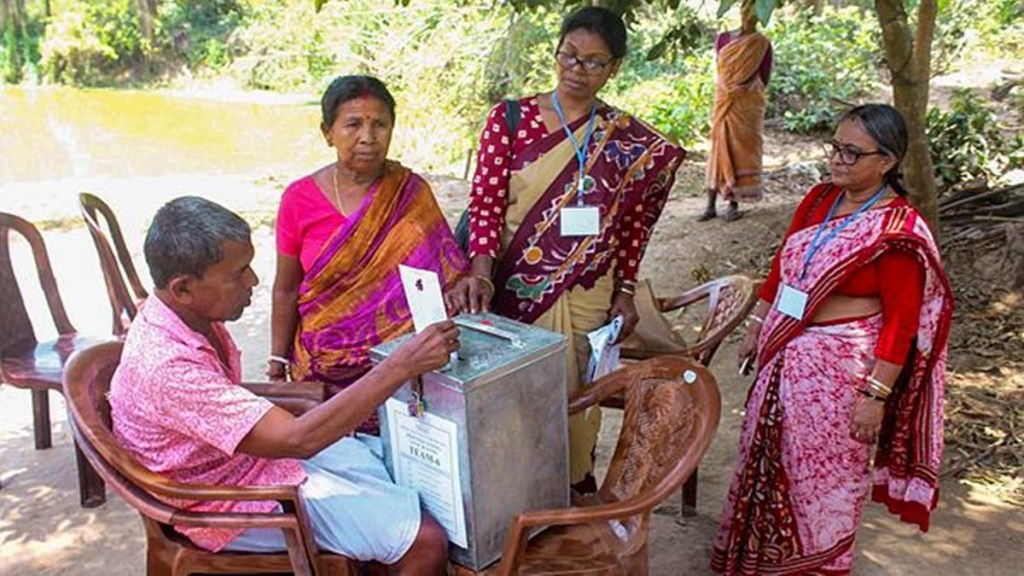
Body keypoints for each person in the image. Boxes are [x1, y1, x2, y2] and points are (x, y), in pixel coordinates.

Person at [108, 196, 456, 574]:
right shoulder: (168, 366)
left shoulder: (185, 318)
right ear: (183, 289)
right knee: (425, 540)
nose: (254, 281)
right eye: (238, 273)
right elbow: (297, 440)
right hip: (223, 506)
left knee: (394, 467)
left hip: (244, 465)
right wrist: (401, 365)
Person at [450, 6, 685, 493]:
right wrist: (481, 273)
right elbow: (487, 203)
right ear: (556, 53)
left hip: (587, 294)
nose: (578, 71)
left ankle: (572, 495)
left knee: (578, 396)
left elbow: (634, 224)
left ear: (615, 68)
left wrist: (624, 289)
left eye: (595, 63)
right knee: (509, 397)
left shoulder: (624, 139)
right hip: (509, 287)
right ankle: (511, 500)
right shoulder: (511, 119)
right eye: (570, 56)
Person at [711, 104, 954, 575]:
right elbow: (785, 263)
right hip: (784, 357)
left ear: (886, 161)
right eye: (835, 148)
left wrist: (875, 397)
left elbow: (903, 324)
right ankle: (760, 561)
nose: (837, 160)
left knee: (821, 482)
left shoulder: (896, 231)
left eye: (851, 152)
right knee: (763, 458)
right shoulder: (820, 199)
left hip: (841, 376)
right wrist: (758, 324)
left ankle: (816, 565)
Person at [269, 75, 468, 434]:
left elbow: (447, 271)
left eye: (380, 124)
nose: (368, 137)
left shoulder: (411, 193)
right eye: (353, 124)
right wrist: (275, 363)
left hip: (403, 369)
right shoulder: (299, 199)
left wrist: (464, 288)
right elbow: (285, 289)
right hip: (321, 375)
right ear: (327, 132)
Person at [698, 0, 772, 222]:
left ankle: (733, 203)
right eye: (746, 11)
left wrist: (743, 90)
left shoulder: (761, 43)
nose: (749, 16)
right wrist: (732, 89)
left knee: (743, 152)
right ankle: (710, 205)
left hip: (747, 107)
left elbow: (764, 76)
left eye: (753, 14)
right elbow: (720, 72)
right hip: (724, 102)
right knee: (718, 150)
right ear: (740, 12)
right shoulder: (723, 38)